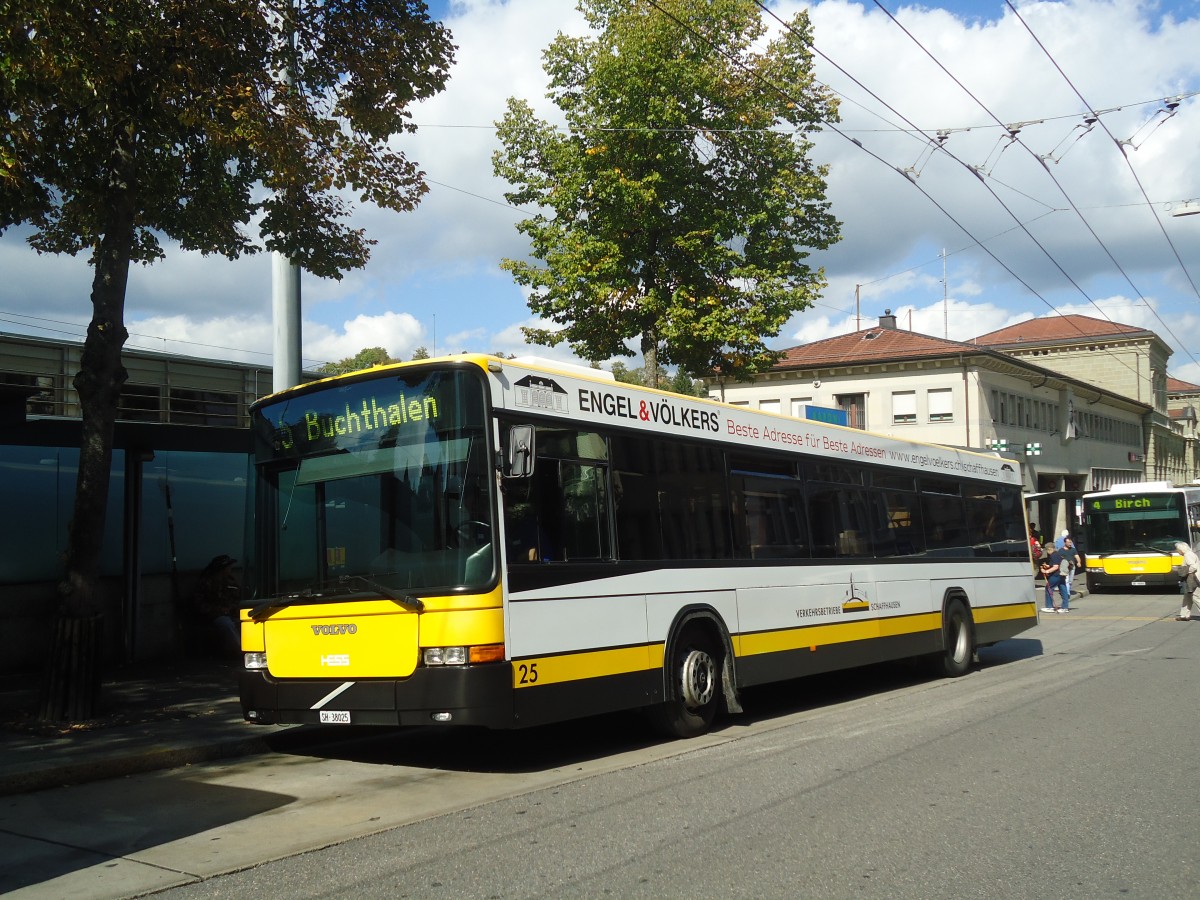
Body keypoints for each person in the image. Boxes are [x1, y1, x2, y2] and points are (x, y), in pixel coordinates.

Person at [191, 554, 241, 655]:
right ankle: (239, 651)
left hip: (231, 612)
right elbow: (199, 604)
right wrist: (219, 610)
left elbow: (237, 597)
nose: (230, 569)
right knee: (227, 625)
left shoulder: (230, 581)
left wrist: (234, 608)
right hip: (215, 615)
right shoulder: (206, 582)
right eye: (228, 567)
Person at [1040, 544, 1070, 613]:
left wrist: (1046, 571)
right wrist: (1048, 566)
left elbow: (1056, 566)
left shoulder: (1054, 555)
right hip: (1062, 574)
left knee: (1048, 588)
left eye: (1047, 550)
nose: (1047, 552)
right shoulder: (1058, 554)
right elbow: (1055, 564)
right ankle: (1065, 607)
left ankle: (1049, 606)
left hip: (1056, 575)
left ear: (1049, 549)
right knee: (1063, 590)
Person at [1174, 541, 1199, 621]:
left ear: (1181, 549)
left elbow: (1193, 567)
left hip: (1193, 579)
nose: (1177, 551)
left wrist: (1183, 571)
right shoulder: (1189, 554)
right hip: (1192, 578)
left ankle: (1184, 615)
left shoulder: (1188, 555)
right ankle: (1184, 615)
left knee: (1196, 597)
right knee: (1187, 597)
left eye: (1177, 549)